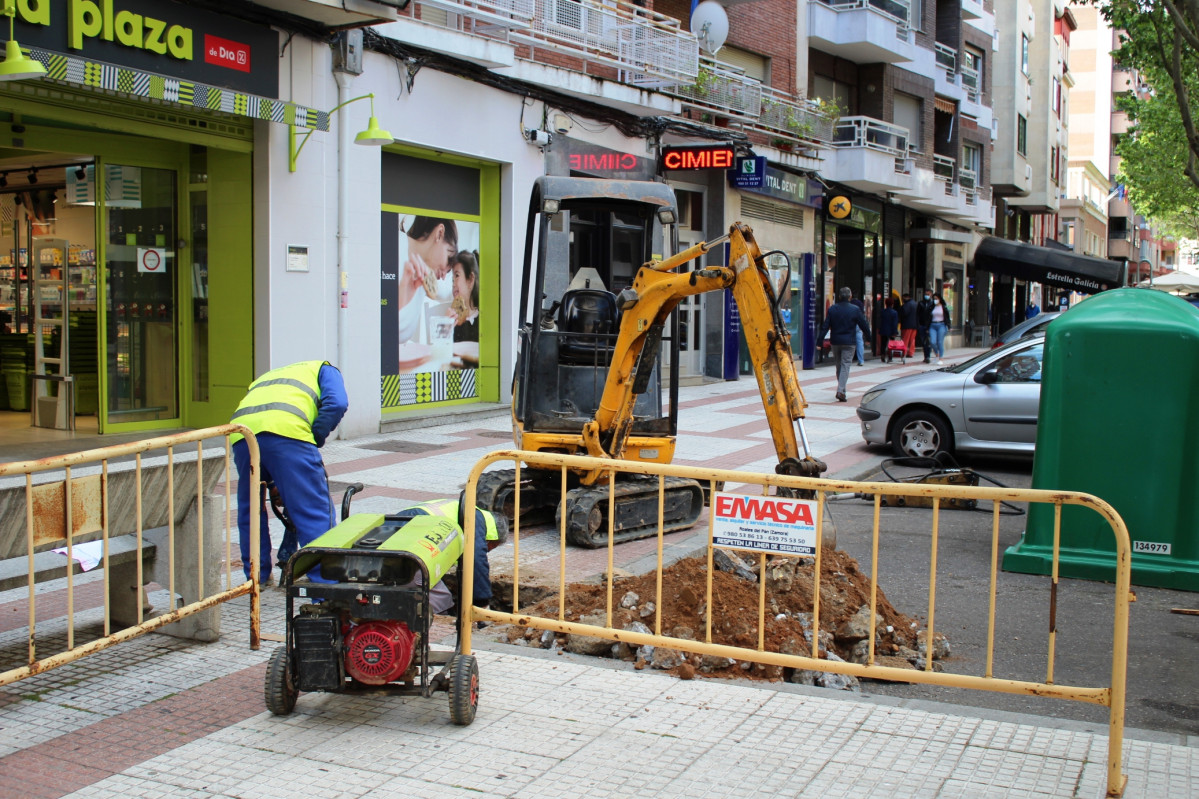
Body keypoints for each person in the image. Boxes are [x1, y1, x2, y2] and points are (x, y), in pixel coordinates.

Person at [230, 360, 348, 583]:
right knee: (312, 510)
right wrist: (315, 437)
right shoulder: (326, 369)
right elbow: (337, 404)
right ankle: (325, 584)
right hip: (288, 432)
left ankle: (256, 580)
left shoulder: (269, 377)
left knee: (250, 511)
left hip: (241, 435)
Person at [395, 496, 507, 612]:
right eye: (489, 548)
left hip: (395, 528)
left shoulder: (465, 510)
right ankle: (439, 627)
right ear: (492, 538)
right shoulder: (475, 519)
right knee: (441, 600)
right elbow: (476, 559)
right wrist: (482, 602)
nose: (486, 551)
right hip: (413, 540)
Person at [398, 216, 459, 344]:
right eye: (449, 258)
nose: (443, 276)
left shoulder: (424, 276)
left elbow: (447, 293)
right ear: (439, 233)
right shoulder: (394, 249)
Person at [819, 287, 871, 402]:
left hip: (836, 341)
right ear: (850, 296)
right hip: (849, 342)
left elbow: (825, 326)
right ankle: (841, 390)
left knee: (839, 365)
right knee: (845, 365)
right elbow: (864, 325)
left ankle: (842, 390)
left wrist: (820, 340)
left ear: (839, 297)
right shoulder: (855, 309)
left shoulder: (833, 309)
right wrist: (869, 338)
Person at [451, 250, 481, 362]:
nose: (453, 283)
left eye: (457, 276)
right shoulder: (452, 320)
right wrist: (447, 326)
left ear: (470, 280)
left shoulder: (483, 319)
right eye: (452, 279)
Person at [928, 292, 950, 365]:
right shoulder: (931, 307)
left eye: (936, 299)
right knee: (932, 342)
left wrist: (949, 326)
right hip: (933, 325)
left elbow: (947, 317)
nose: (935, 300)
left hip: (941, 325)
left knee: (940, 342)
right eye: (934, 299)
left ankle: (941, 358)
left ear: (939, 299)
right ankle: (936, 354)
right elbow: (927, 316)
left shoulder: (943, 307)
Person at [916, 289, 935, 363]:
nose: (926, 296)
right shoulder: (921, 303)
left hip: (930, 326)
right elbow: (917, 315)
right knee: (924, 342)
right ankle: (925, 356)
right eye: (925, 294)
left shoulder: (933, 304)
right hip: (922, 325)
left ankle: (928, 356)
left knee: (929, 342)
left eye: (928, 294)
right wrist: (918, 324)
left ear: (931, 295)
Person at [880, 298, 900, 362]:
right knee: (891, 344)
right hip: (891, 330)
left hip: (883, 329)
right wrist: (895, 332)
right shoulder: (894, 312)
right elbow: (895, 323)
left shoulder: (883, 311)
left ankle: (882, 355)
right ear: (892, 304)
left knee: (883, 343)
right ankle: (890, 356)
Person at [850, 295, 866, 366]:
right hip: (858, 324)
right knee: (860, 342)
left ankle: (849, 359)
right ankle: (861, 360)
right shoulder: (860, 303)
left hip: (850, 324)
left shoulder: (849, 303)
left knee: (849, 342)